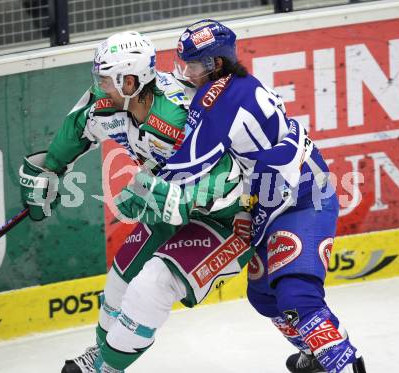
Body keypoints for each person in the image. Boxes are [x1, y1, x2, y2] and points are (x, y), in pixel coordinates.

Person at [117, 20, 367, 373]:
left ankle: (345, 364)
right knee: (264, 294)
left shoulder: (217, 97)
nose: (184, 71)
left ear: (215, 64)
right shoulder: (234, 85)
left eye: (192, 64)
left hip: (304, 197)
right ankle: (316, 355)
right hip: (271, 203)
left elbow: (194, 160)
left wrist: (148, 185)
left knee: (297, 295)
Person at [18, 30, 253, 373]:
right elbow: (79, 125)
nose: (99, 89)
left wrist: (178, 198)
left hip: (227, 215)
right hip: (170, 199)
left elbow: (229, 175)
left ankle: (108, 365)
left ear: (130, 81)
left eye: (105, 81)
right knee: (120, 279)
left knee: (151, 285)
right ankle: (104, 354)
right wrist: (50, 169)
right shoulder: (111, 106)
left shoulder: (181, 114)